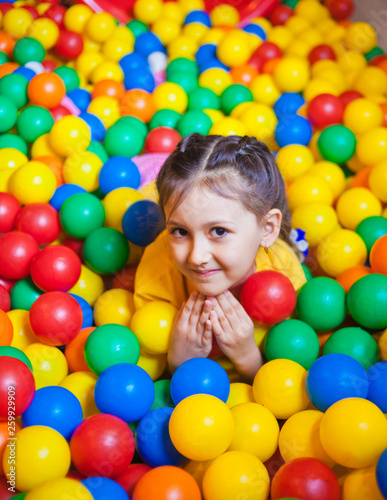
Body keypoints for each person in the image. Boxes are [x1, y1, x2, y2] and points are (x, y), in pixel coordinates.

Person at [134, 134, 306, 382]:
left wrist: (249, 359)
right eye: (180, 231)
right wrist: (178, 361)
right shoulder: (157, 272)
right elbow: (154, 374)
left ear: (267, 229)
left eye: (219, 231)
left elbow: (284, 383)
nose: (197, 256)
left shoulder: (285, 277)